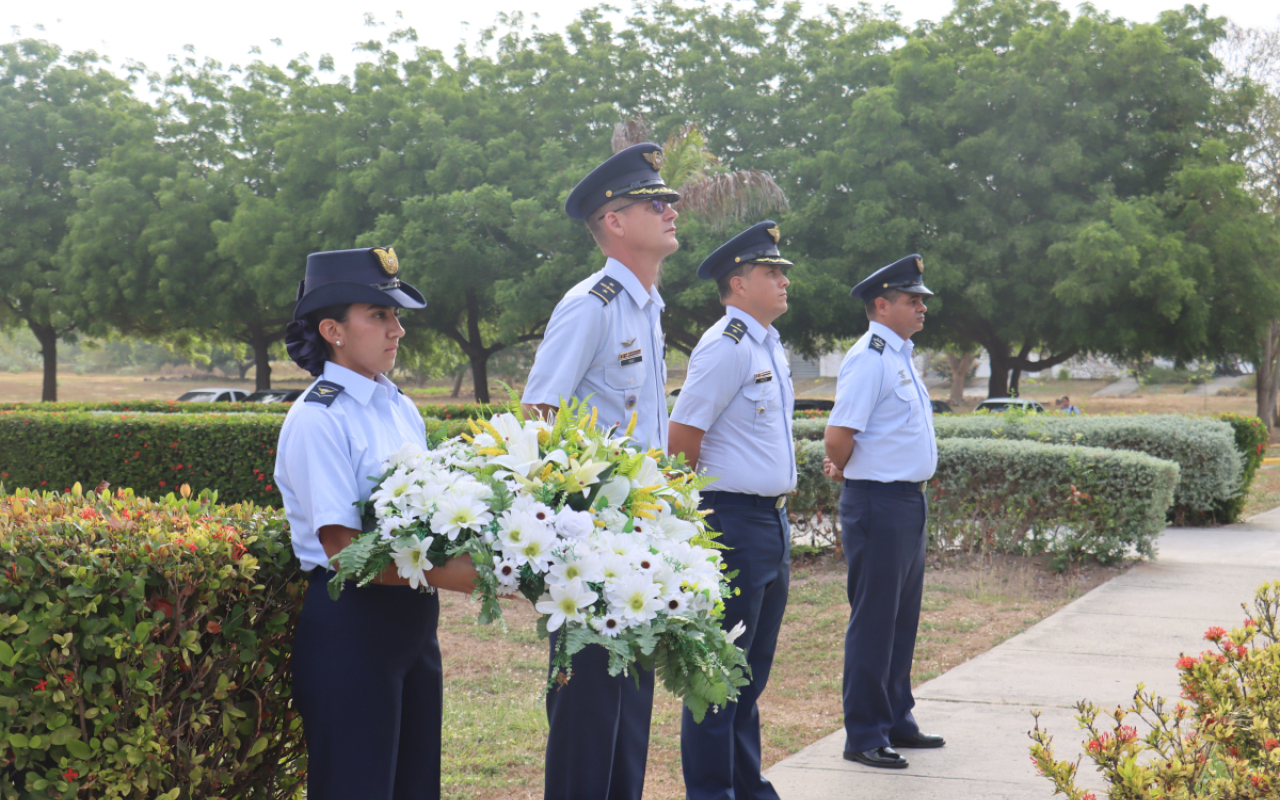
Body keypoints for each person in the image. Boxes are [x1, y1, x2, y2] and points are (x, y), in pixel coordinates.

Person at [273, 246, 478, 800]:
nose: (397, 331)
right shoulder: (319, 418)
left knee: (415, 787)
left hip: (411, 624)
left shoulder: (397, 406)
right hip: (353, 626)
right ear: (333, 330)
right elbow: (342, 550)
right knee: (356, 787)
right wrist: (454, 574)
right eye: (380, 316)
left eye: (396, 317)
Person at [520, 143, 680, 800]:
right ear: (613, 221)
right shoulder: (593, 302)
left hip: (639, 540)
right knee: (589, 713)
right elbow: (540, 411)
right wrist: (570, 521)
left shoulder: (645, 306)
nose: (670, 210)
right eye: (654, 202)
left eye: (668, 200)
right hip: (589, 547)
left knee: (629, 713)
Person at [669, 220, 796, 800]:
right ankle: (712, 791)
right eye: (771, 272)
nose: (782, 280)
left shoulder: (769, 345)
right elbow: (682, 439)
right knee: (718, 673)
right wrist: (692, 525)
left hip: (770, 521)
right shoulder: (726, 346)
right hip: (732, 523)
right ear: (738, 283)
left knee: (751, 672)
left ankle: (746, 785)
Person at [821, 254, 945, 770]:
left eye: (921, 300)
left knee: (900, 620)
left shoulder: (899, 355)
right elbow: (838, 436)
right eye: (911, 299)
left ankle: (897, 717)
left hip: (907, 500)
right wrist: (853, 472)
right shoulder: (870, 356)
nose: (921, 307)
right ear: (881, 304)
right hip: (879, 502)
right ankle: (865, 732)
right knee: (874, 621)